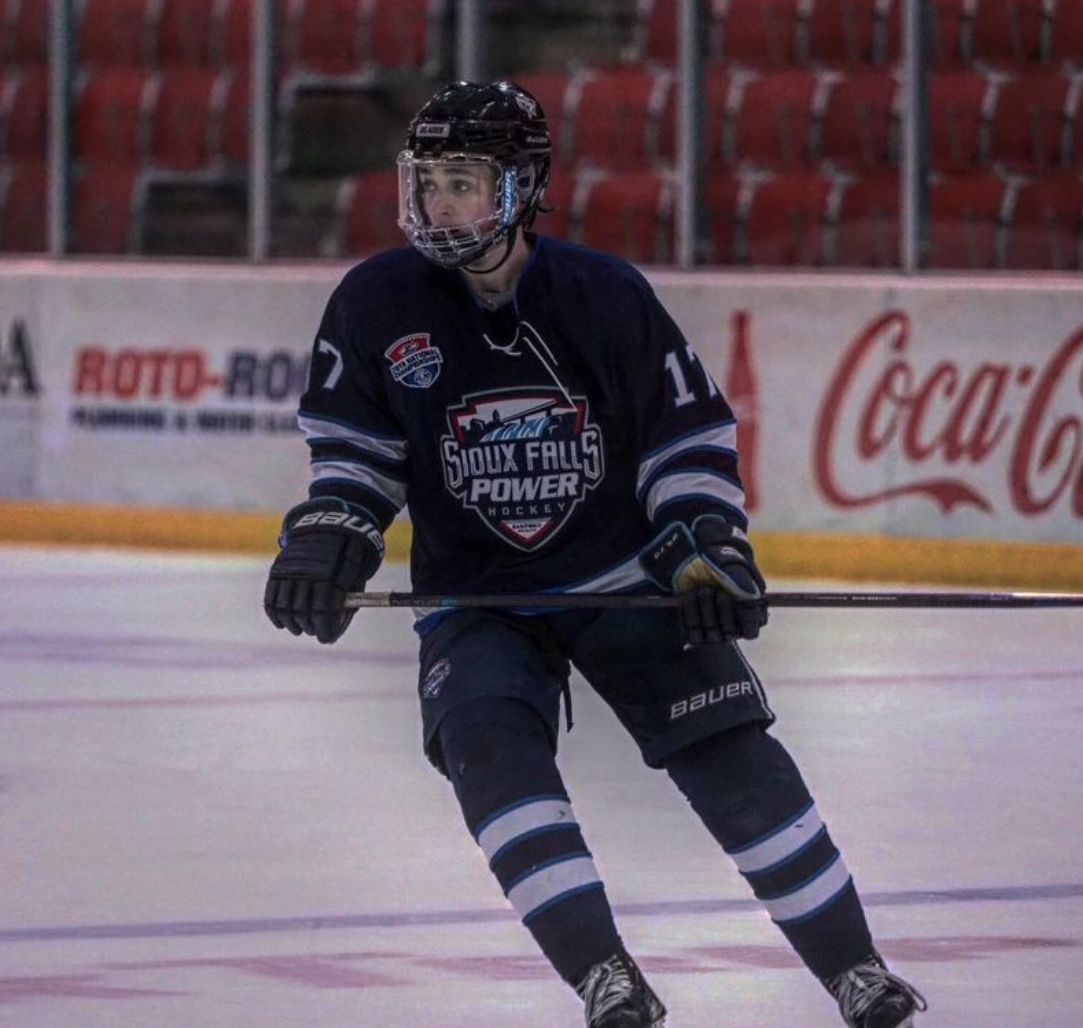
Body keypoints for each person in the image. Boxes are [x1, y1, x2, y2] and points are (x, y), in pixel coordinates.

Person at [263, 80, 927, 1028]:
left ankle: (855, 971)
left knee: (736, 761)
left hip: (627, 582)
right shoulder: (376, 303)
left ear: (522, 186)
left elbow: (683, 441)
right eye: (428, 182)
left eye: (463, 182)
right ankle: (605, 976)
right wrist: (329, 540)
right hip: (477, 597)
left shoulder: (604, 294)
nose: (438, 205)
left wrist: (707, 548)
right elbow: (357, 461)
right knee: (488, 754)